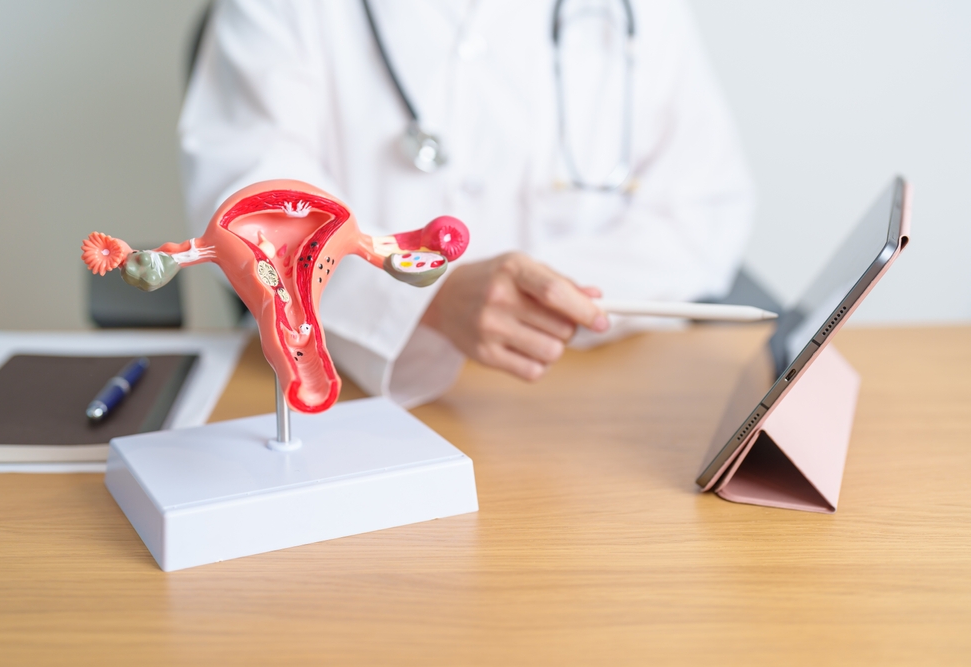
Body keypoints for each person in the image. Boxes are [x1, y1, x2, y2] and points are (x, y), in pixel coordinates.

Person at [179, 0, 754, 407]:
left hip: (595, 391)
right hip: (365, 395)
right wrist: (428, 295)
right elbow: (251, 200)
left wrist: (537, 300)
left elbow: (700, 209)